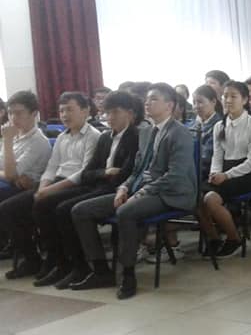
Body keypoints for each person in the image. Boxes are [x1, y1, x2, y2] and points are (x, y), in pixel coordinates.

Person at [71, 83, 198, 299]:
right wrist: (124, 187)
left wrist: (142, 192)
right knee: (80, 210)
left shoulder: (180, 133)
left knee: (125, 212)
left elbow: (175, 176)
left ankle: (128, 274)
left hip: (171, 193)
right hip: (141, 189)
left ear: (169, 105)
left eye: (154, 99)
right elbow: (137, 169)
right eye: (147, 99)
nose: (147, 103)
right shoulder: (146, 132)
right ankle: (101, 271)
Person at [34, 91, 141, 289]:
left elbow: (125, 174)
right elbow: (88, 173)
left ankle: (93, 268)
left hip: (120, 191)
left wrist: (103, 175)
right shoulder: (106, 138)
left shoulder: (136, 137)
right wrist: (104, 172)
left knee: (67, 209)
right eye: (107, 113)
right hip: (99, 186)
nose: (110, 117)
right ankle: (69, 264)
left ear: (129, 113)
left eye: (115, 112)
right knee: (48, 205)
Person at [3, 92, 100, 281]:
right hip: (55, 182)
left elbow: (83, 173)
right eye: (61, 111)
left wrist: (49, 190)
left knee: (44, 205)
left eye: (69, 110)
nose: (64, 115)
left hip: (78, 184)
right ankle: (43, 260)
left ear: (85, 111)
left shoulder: (93, 136)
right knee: (9, 208)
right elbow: (52, 167)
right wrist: (43, 187)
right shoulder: (63, 137)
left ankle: (61, 261)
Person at [198, 81, 251, 259]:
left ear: (244, 100)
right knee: (195, 197)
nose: (228, 100)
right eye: (225, 96)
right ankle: (214, 238)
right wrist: (215, 172)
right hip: (224, 171)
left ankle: (234, 238)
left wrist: (226, 175)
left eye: (233, 96)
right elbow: (217, 155)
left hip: (248, 173)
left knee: (210, 199)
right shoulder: (219, 126)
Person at [0, 92, 53, 260]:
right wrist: (9, 175)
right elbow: (8, 172)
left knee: (6, 207)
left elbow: (9, 174)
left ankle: (26, 255)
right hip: (13, 184)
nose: (13, 118)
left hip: (28, 189)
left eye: (19, 113)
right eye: (10, 113)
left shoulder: (38, 141)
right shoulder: (15, 136)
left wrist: (7, 141)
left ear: (34, 113)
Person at [192, 85, 223, 181]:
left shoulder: (219, 125)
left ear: (213, 101)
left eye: (200, 102)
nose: (196, 106)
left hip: (205, 175)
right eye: (194, 102)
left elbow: (206, 158)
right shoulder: (193, 125)